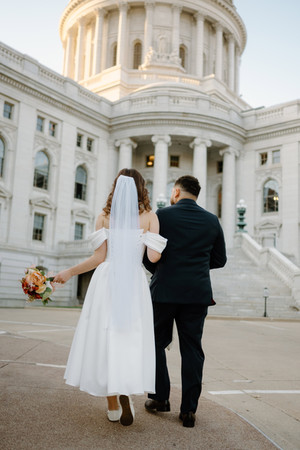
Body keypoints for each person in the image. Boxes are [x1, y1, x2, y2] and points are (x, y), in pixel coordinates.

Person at [54, 169, 167, 426]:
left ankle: (113, 405)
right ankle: (125, 385)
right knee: (129, 336)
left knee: (105, 337)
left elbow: (97, 258)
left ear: (116, 188)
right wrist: (158, 244)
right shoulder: (150, 217)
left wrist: (69, 272)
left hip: (106, 279)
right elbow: (152, 258)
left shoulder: (104, 217)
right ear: (142, 188)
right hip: (133, 281)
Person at [143, 175, 226, 428]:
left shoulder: (163, 215)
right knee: (192, 350)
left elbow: (149, 255)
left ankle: (160, 398)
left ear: (176, 192)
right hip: (197, 294)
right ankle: (189, 410)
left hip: (164, 291)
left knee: (155, 344)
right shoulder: (212, 221)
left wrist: (161, 271)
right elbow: (220, 259)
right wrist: (197, 267)